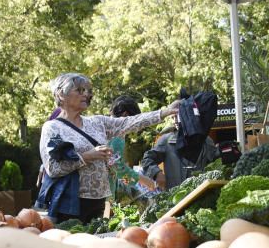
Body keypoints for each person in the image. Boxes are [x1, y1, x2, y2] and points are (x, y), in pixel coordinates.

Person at [39, 73, 180, 223]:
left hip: (98, 201)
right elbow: (53, 168)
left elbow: (131, 122)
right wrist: (89, 155)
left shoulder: (97, 122)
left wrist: (165, 112)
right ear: (61, 94)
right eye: (80, 90)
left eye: (88, 90)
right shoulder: (52, 128)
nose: (87, 94)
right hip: (70, 203)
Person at [139, 121, 220, 192]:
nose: (176, 120)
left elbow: (216, 162)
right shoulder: (166, 140)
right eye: (174, 117)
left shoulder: (206, 141)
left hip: (199, 196)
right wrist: (157, 173)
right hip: (174, 198)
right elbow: (147, 159)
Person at [108, 96, 154, 201]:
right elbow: (118, 168)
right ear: (125, 115)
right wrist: (144, 180)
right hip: (102, 191)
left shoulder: (102, 125)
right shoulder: (117, 134)